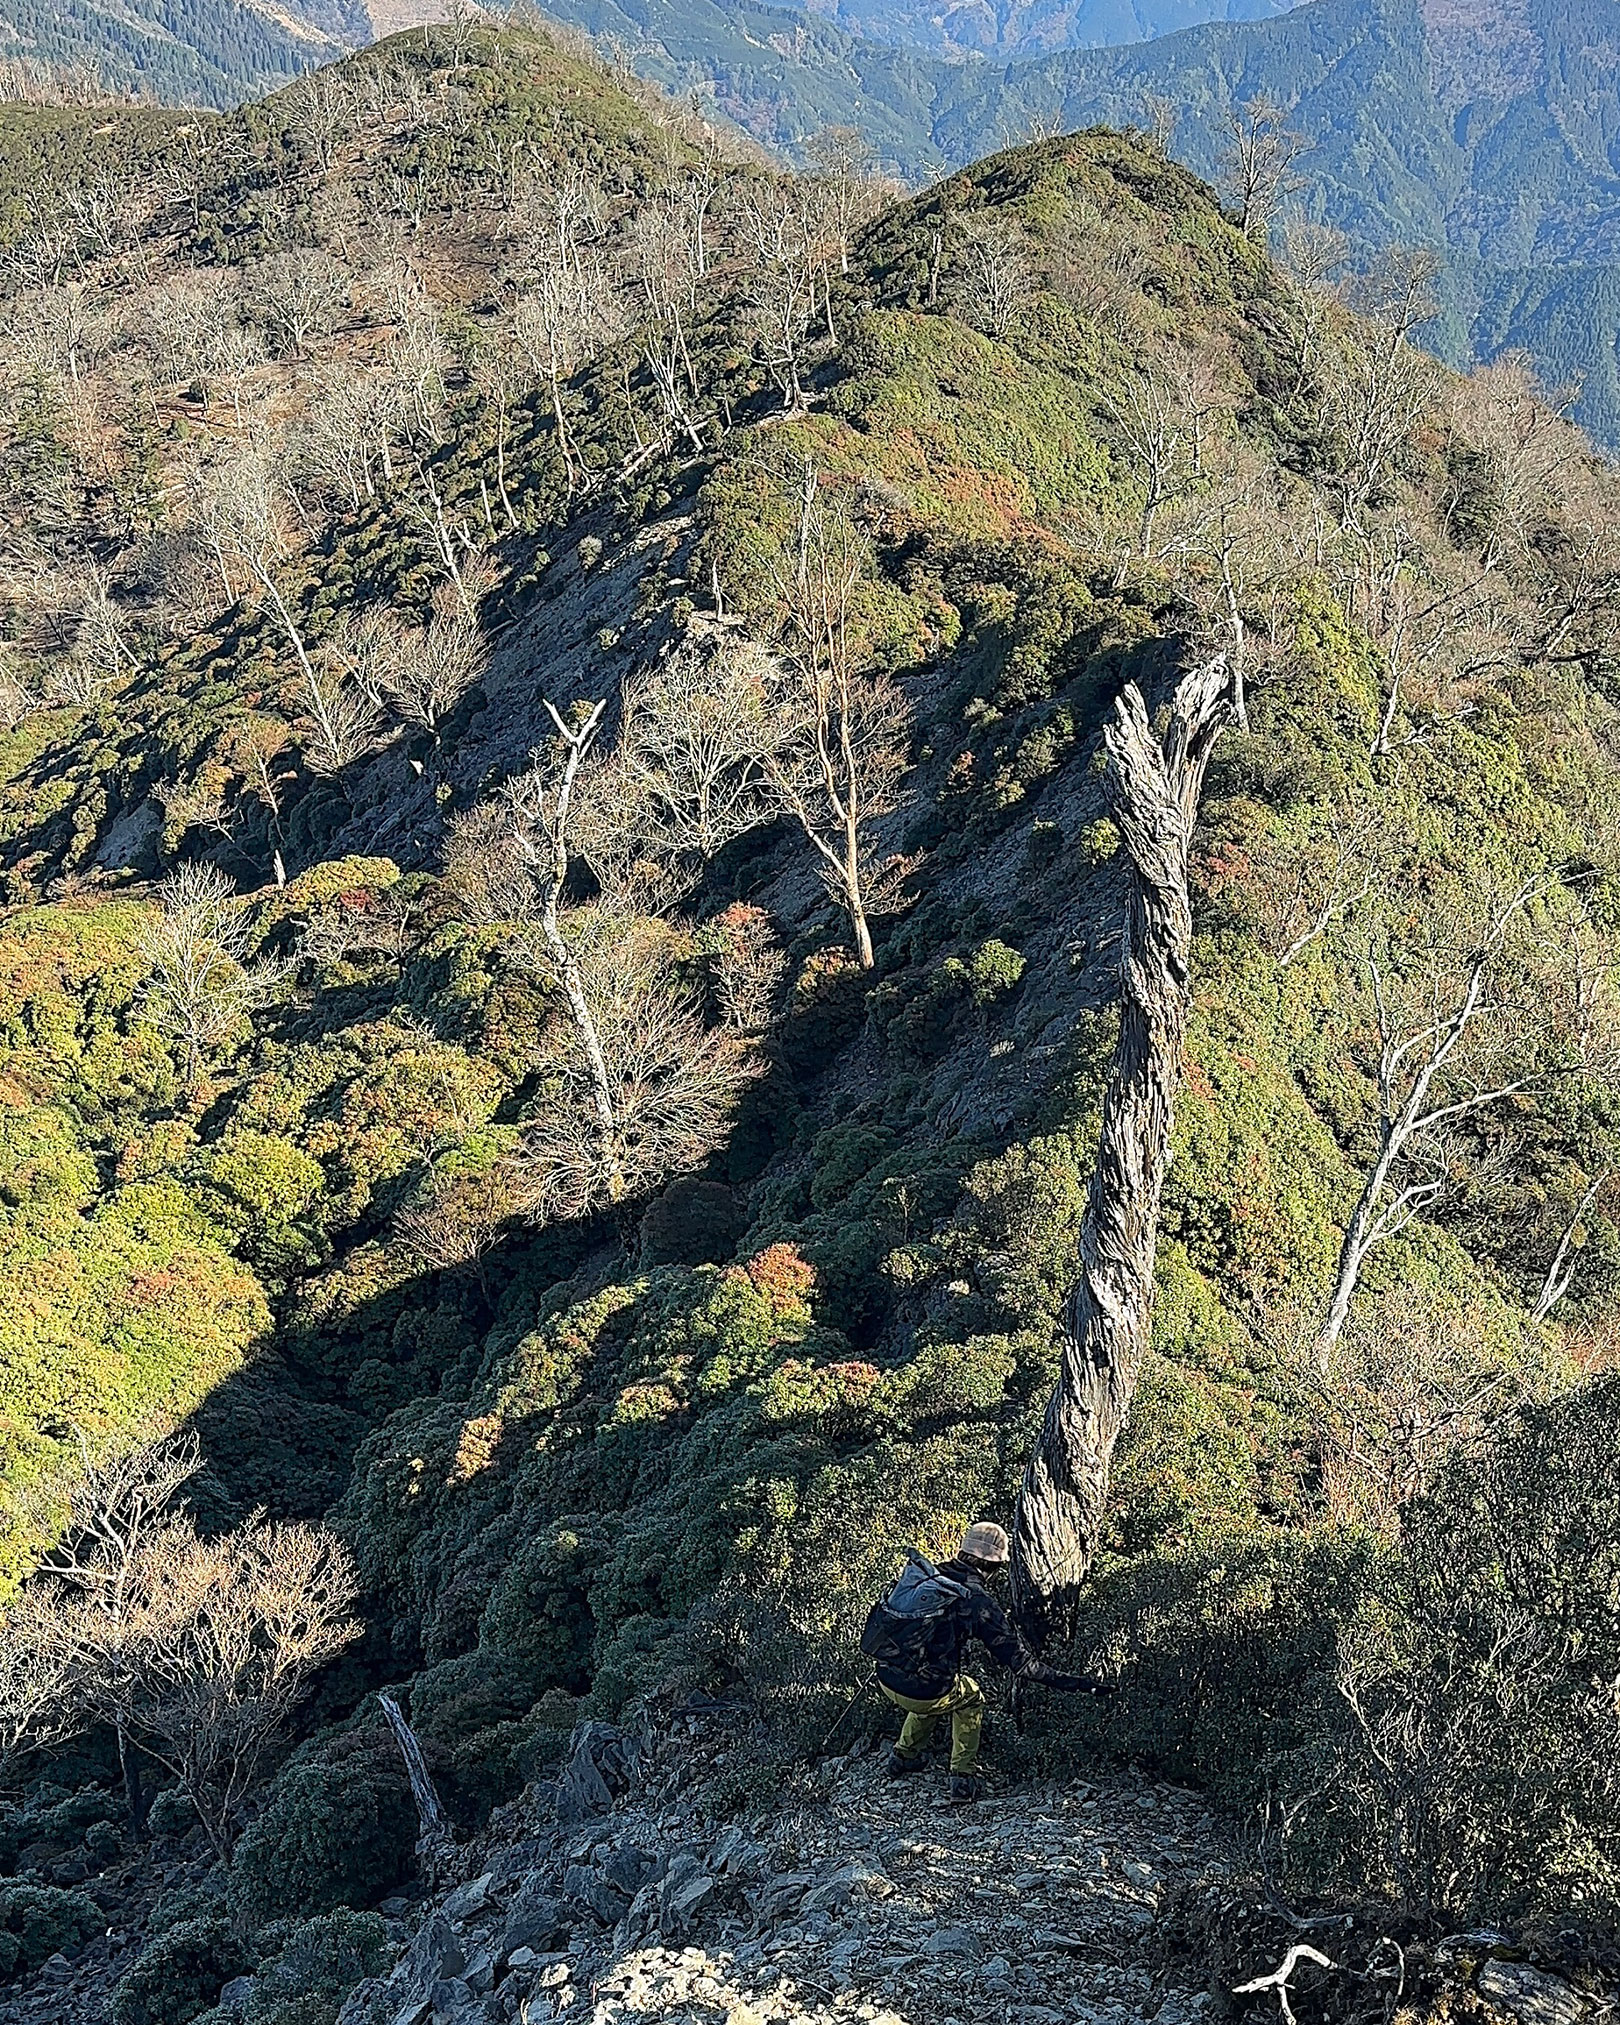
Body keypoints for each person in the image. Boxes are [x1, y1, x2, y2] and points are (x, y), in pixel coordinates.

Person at [862, 1521, 1110, 1802]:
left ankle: (902, 1757)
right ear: (994, 1566)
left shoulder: (929, 1575)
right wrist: (1077, 1684)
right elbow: (1021, 1664)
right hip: (923, 1692)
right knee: (970, 1697)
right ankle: (962, 1779)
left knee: (935, 1685)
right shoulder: (978, 1602)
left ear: (963, 1551)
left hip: (885, 1676)